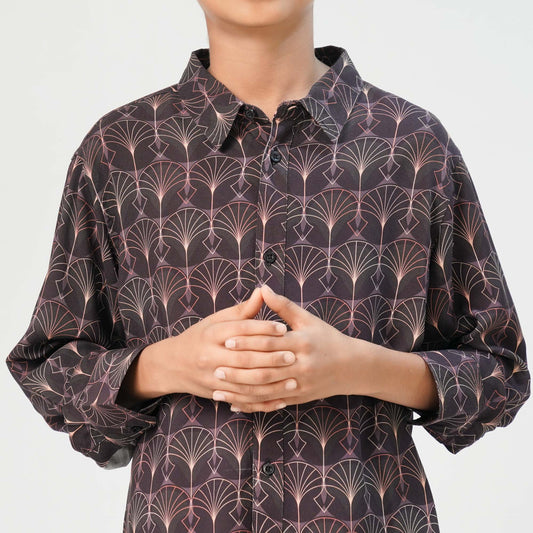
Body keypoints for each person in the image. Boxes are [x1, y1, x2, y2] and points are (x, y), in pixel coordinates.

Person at [6, 1, 530, 531]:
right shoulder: (121, 151)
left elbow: (500, 371)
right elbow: (50, 369)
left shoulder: (412, 146)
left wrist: (360, 368)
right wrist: (166, 366)